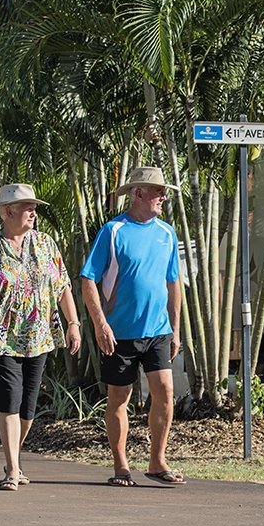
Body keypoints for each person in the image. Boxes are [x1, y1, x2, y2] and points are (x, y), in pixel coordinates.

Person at [0, 183, 82, 490]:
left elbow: (62, 286)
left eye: (34, 207)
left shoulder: (46, 244)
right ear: (9, 212)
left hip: (38, 337)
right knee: (8, 404)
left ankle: (14, 455)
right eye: (28, 207)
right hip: (1, 338)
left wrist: (73, 322)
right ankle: (12, 469)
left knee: (28, 409)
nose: (34, 212)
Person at [81, 167, 184, 487]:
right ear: (138, 193)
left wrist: (176, 330)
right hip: (119, 333)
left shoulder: (167, 233)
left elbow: (173, 282)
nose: (163, 197)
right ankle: (121, 465)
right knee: (119, 397)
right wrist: (100, 325)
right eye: (157, 191)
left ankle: (157, 461)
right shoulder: (113, 231)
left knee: (165, 391)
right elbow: (88, 279)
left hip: (158, 330)